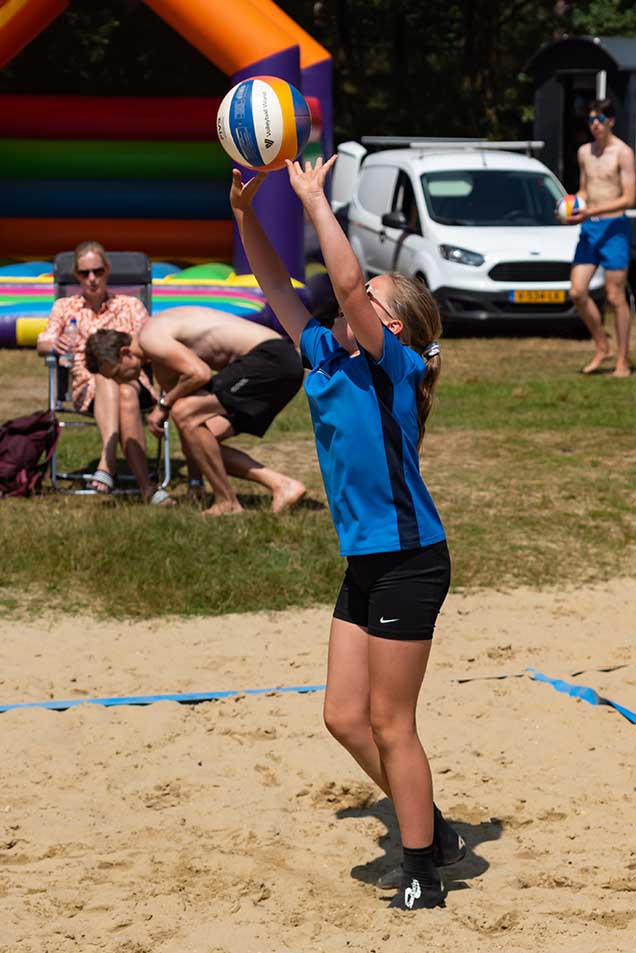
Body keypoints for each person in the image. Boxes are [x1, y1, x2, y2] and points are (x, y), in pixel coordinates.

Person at [230, 157, 464, 911]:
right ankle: (432, 824)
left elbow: (341, 280)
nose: (353, 299)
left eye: (370, 297)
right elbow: (277, 289)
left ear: (387, 324)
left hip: (410, 563)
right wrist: (245, 217)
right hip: (366, 564)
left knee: (392, 720)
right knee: (342, 716)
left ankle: (424, 869)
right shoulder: (326, 357)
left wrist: (312, 198)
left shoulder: (391, 365)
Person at [83, 307, 306, 516]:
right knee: (199, 434)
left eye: (116, 373)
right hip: (274, 364)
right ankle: (282, 485)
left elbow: (200, 373)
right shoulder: (161, 357)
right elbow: (189, 426)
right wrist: (194, 483)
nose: (118, 380)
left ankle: (227, 502)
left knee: (183, 411)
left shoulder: (150, 337)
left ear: (125, 353)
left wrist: (163, 406)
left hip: (272, 357)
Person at [36, 240, 171, 503]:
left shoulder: (130, 305)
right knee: (105, 376)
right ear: (76, 275)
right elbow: (43, 343)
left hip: (135, 383)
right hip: (87, 390)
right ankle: (147, 487)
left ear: (107, 271)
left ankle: (107, 464)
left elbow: (151, 341)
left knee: (123, 387)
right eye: (84, 273)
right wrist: (52, 343)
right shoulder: (65, 308)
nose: (92, 279)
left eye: (97, 271)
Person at [567, 98, 636, 378]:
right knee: (577, 291)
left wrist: (593, 209)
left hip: (615, 227)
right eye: (591, 120)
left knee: (615, 296)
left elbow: (629, 197)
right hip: (590, 228)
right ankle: (602, 345)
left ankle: (622, 361)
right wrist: (572, 204)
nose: (595, 125)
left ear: (611, 121)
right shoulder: (585, 152)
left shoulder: (623, 153)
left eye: (599, 120)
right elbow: (585, 190)